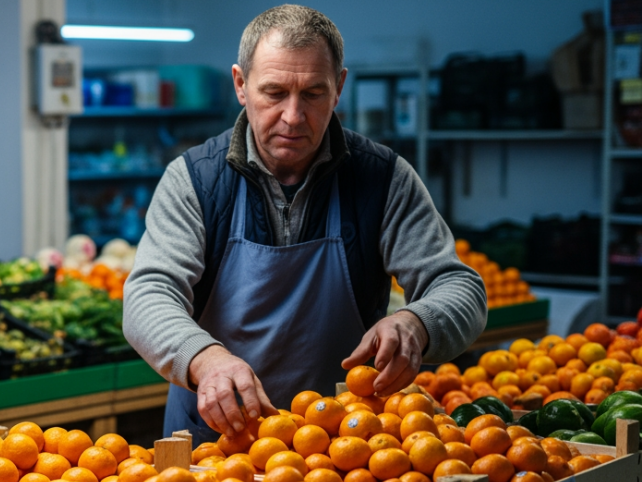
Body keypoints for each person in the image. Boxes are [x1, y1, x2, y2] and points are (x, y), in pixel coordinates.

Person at [123, 5, 487, 443]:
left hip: (344, 447)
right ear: (241, 85)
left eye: (313, 94)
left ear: (339, 89)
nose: (293, 117)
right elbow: (148, 295)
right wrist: (204, 359)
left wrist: (418, 322)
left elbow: (459, 285)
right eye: (274, 93)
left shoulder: (382, 177)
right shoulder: (195, 180)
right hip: (215, 441)